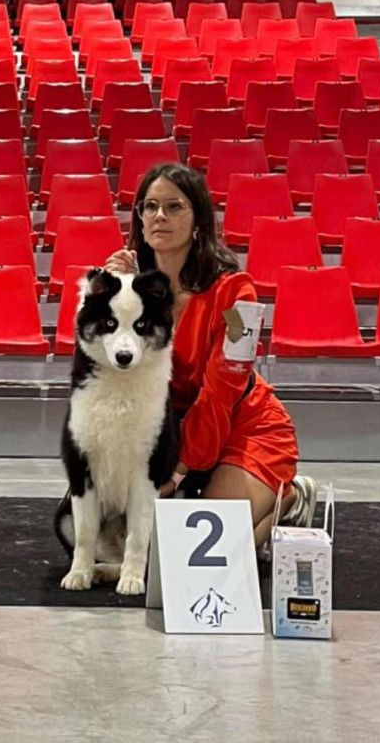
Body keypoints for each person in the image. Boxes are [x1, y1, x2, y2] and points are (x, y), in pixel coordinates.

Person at [105, 162, 317, 551]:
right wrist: (111, 298)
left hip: (244, 427)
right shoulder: (130, 291)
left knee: (196, 553)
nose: (159, 216)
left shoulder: (238, 294)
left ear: (198, 220)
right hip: (167, 429)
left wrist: (176, 472)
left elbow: (221, 393)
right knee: (110, 544)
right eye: (150, 206)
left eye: (174, 206)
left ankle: (288, 499)